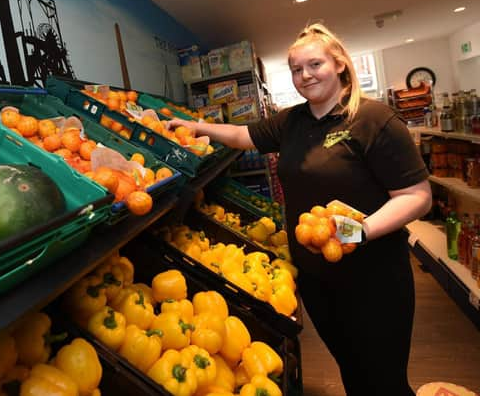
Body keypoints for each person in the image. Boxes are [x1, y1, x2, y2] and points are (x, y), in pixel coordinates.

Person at [168, 23, 431, 395]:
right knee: (353, 369)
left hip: (374, 279)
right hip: (316, 279)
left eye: (314, 65)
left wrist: (360, 231)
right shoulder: (292, 121)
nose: (304, 76)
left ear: (339, 64)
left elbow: (417, 195)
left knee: (384, 379)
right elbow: (245, 136)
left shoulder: (375, 121)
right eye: (296, 69)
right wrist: (195, 127)